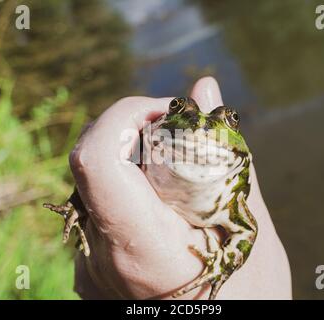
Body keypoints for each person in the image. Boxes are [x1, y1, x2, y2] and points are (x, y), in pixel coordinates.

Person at [70, 77, 292, 299]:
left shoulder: (231, 200)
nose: (201, 126)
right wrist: (78, 202)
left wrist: (220, 271)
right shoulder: (141, 149)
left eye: (231, 119)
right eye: (177, 107)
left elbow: (246, 231)